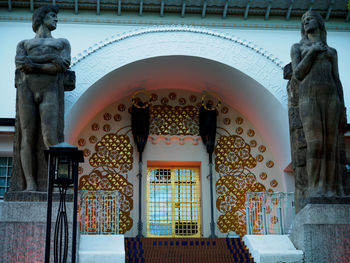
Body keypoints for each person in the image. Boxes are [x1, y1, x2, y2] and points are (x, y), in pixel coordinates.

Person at [290, 11, 348, 197]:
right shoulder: (298, 47)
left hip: (331, 97)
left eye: (310, 18)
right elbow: (298, 73)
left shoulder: (331, 51)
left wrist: (343, 108)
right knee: (315, 144)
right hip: (309, 96)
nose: (306, 21)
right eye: (304, 20)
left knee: (332, 145)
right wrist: (313, 52)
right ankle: (315, 188)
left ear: (320, 23)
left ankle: (333, 189)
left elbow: (337, 79)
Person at [15, 5, 71, 191]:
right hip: (27, 89)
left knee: (50, 136)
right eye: (52, 16)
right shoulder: (24, 44)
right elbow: (21, 64)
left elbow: (61, 66)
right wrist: (49, 60)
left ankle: (52, 183)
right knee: (27, 136)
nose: (56, 19)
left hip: (49, 90)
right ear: (41, 18)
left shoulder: (62, 42)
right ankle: (30, 183)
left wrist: (34, 64)